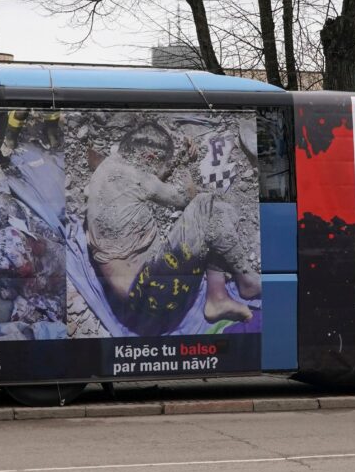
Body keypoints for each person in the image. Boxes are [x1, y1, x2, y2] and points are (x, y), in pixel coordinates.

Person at [85, 121, 261, 336]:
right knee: (207, 204)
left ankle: (218, 298)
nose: (161, 171)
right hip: (149, 293)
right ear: (148, 158)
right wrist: (187, 167)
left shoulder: (111, 166)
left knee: (219, 214)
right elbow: (188, 198)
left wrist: (179, 156)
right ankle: (247, 281)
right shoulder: (140, 179)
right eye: (159, 164)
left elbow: (152, 178)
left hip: (134, 296)